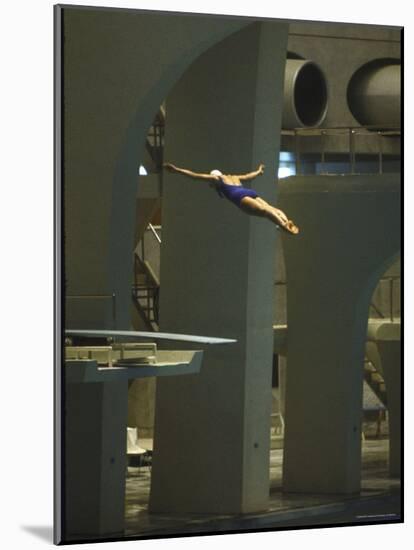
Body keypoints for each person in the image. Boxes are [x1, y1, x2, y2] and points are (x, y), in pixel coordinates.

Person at [163, 162, 299, 235]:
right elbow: (249, 176)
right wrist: (259, 171)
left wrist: (177, 170)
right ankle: (286, 221)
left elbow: (195, 176)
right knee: (271, 207)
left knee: (264, 211)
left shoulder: (217, 178)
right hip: (248, 191)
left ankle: (283, 226)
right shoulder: (234, 176)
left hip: (239, 196)